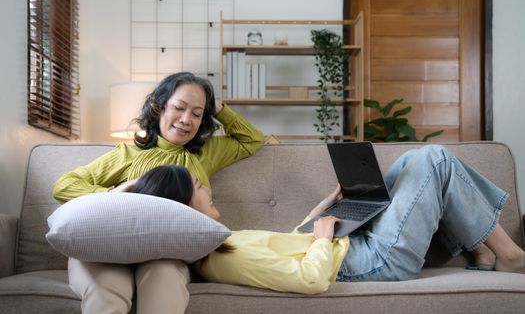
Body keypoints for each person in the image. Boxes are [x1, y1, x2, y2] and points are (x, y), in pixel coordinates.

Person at [130, 146, 525, 295]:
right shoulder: (222, 258)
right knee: (433, 159)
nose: (207, 189)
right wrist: (322, 240)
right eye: (199, 187)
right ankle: (507, 255)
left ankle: (483, 251)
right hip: (374, 263)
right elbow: (309, 280)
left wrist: (324, 210)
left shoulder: (221, 243)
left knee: (407, 163)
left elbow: (288, 246)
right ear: (181, 206)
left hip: (352, 245)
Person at [53, 72, 265, 314]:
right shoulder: (128, 154)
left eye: (197, 114)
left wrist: (215, 106)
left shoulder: (205, 154)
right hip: (107, 250)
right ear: (158, 106)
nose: (186, 120)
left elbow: (252, 140)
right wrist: (114, 192)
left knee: (163, 283)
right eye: (179, 107)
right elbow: (64, 185)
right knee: (107, 292)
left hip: (168, 254)